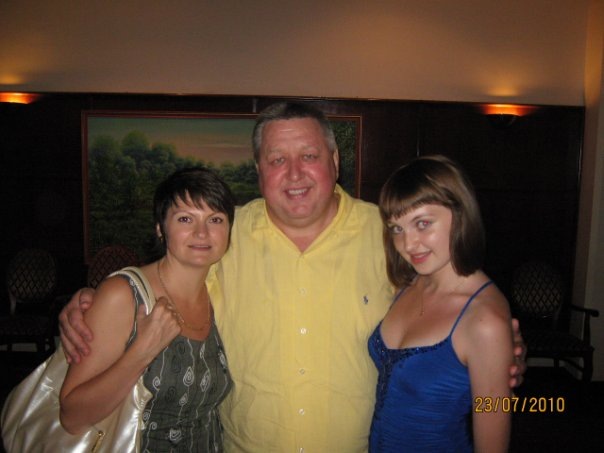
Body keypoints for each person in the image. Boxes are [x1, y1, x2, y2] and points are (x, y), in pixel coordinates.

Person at [59, 102, 525, 452]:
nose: (294, 173)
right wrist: (93, 301)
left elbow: (447, 306)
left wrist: (490, 350)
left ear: (335, 161)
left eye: (309, 155)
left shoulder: (387, 233)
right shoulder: (224, 236)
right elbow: (160, 279)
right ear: (258, 170)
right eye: (277, 159)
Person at [59, 168, 235, 451]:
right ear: (160, 229)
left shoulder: (219, 291)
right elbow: (72, 416)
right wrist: (142, 351)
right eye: (185, 219)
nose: (202, 232)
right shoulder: (123, 295)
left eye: (215, 219)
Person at [369, 155, 513, 452]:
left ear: (460, 214)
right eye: (397, 228)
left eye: (422, 223)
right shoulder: (408, 286)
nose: (408, 244)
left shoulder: (485, 321)